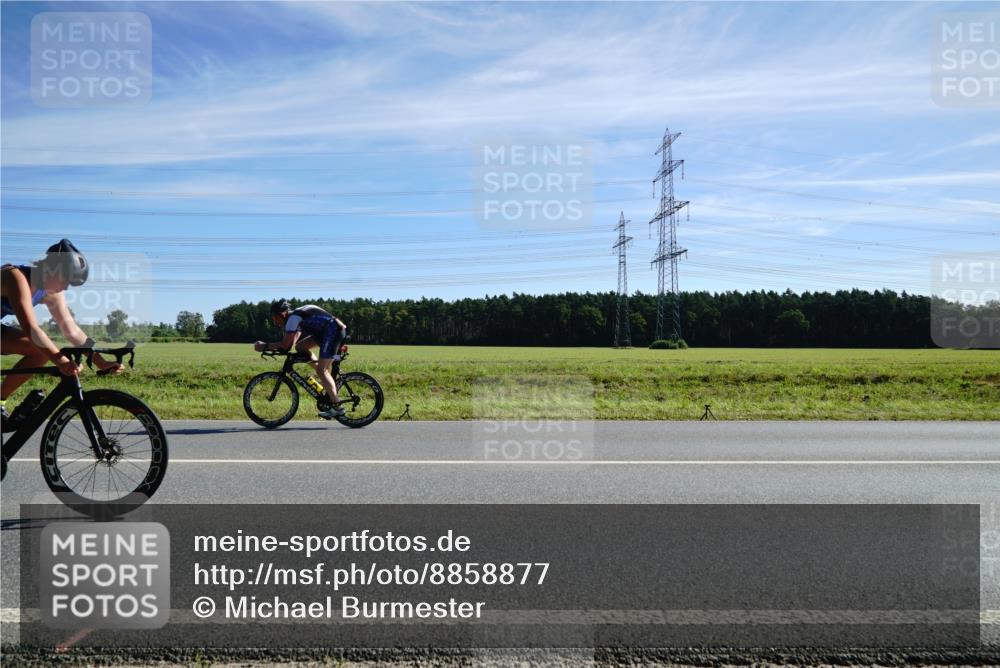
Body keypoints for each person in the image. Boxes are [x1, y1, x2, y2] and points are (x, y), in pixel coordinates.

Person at [1, 239, 123, 428]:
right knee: (45, 348)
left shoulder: (51, 291)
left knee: (40, 351)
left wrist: (100, 361)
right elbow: (31, 329)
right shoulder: (14, 277)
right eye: (65, 280)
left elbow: (72, 330)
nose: (66, 288)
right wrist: (61, 361)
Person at [255, 300, 347, 419]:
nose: (274, 321)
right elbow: (292, 344)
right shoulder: (296, 318)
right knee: (301, 347)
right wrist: (276, 347)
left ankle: (337, 407)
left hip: (333, 331)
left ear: (282, 315)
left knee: (321, 371)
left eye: (274, 318)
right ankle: (325, 377)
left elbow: (285, 346)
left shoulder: (293, 319)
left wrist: (265, 346)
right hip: (327, 331)